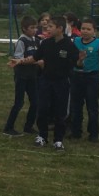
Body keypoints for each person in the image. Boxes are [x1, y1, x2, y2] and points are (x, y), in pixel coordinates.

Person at [33, 15, 78, 150]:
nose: (47, 28)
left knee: (60, 112)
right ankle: (42, 136)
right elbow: (35, 57)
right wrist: (20, 61)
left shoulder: (69, 45)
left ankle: (58, 139)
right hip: (45, 81)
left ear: (60, 29)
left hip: (62, 82)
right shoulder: (46, 43)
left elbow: (77, 63)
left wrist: (81, 60)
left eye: (51, 26)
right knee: (42, 109)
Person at [69, 18, 99, 142]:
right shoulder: (75, 41)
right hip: (76, 76)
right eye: (83, 28)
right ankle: (76, 132)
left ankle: (93, 134)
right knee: (75, 106)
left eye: (88, 29)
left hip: (92, 77)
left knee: (92, 106)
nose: (85, 31)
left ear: (94, 31)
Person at [3, 15, 39, 137]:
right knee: (19, 102)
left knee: (35, 101)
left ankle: (28, 126)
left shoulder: (35, 40)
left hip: (32, 75)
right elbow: (18, 59)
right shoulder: (22, 41)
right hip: (22, 76)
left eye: (35, 27)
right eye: (32, 27)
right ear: (24, 28)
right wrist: (34, 61)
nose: (34, 30)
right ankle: (8, 127)